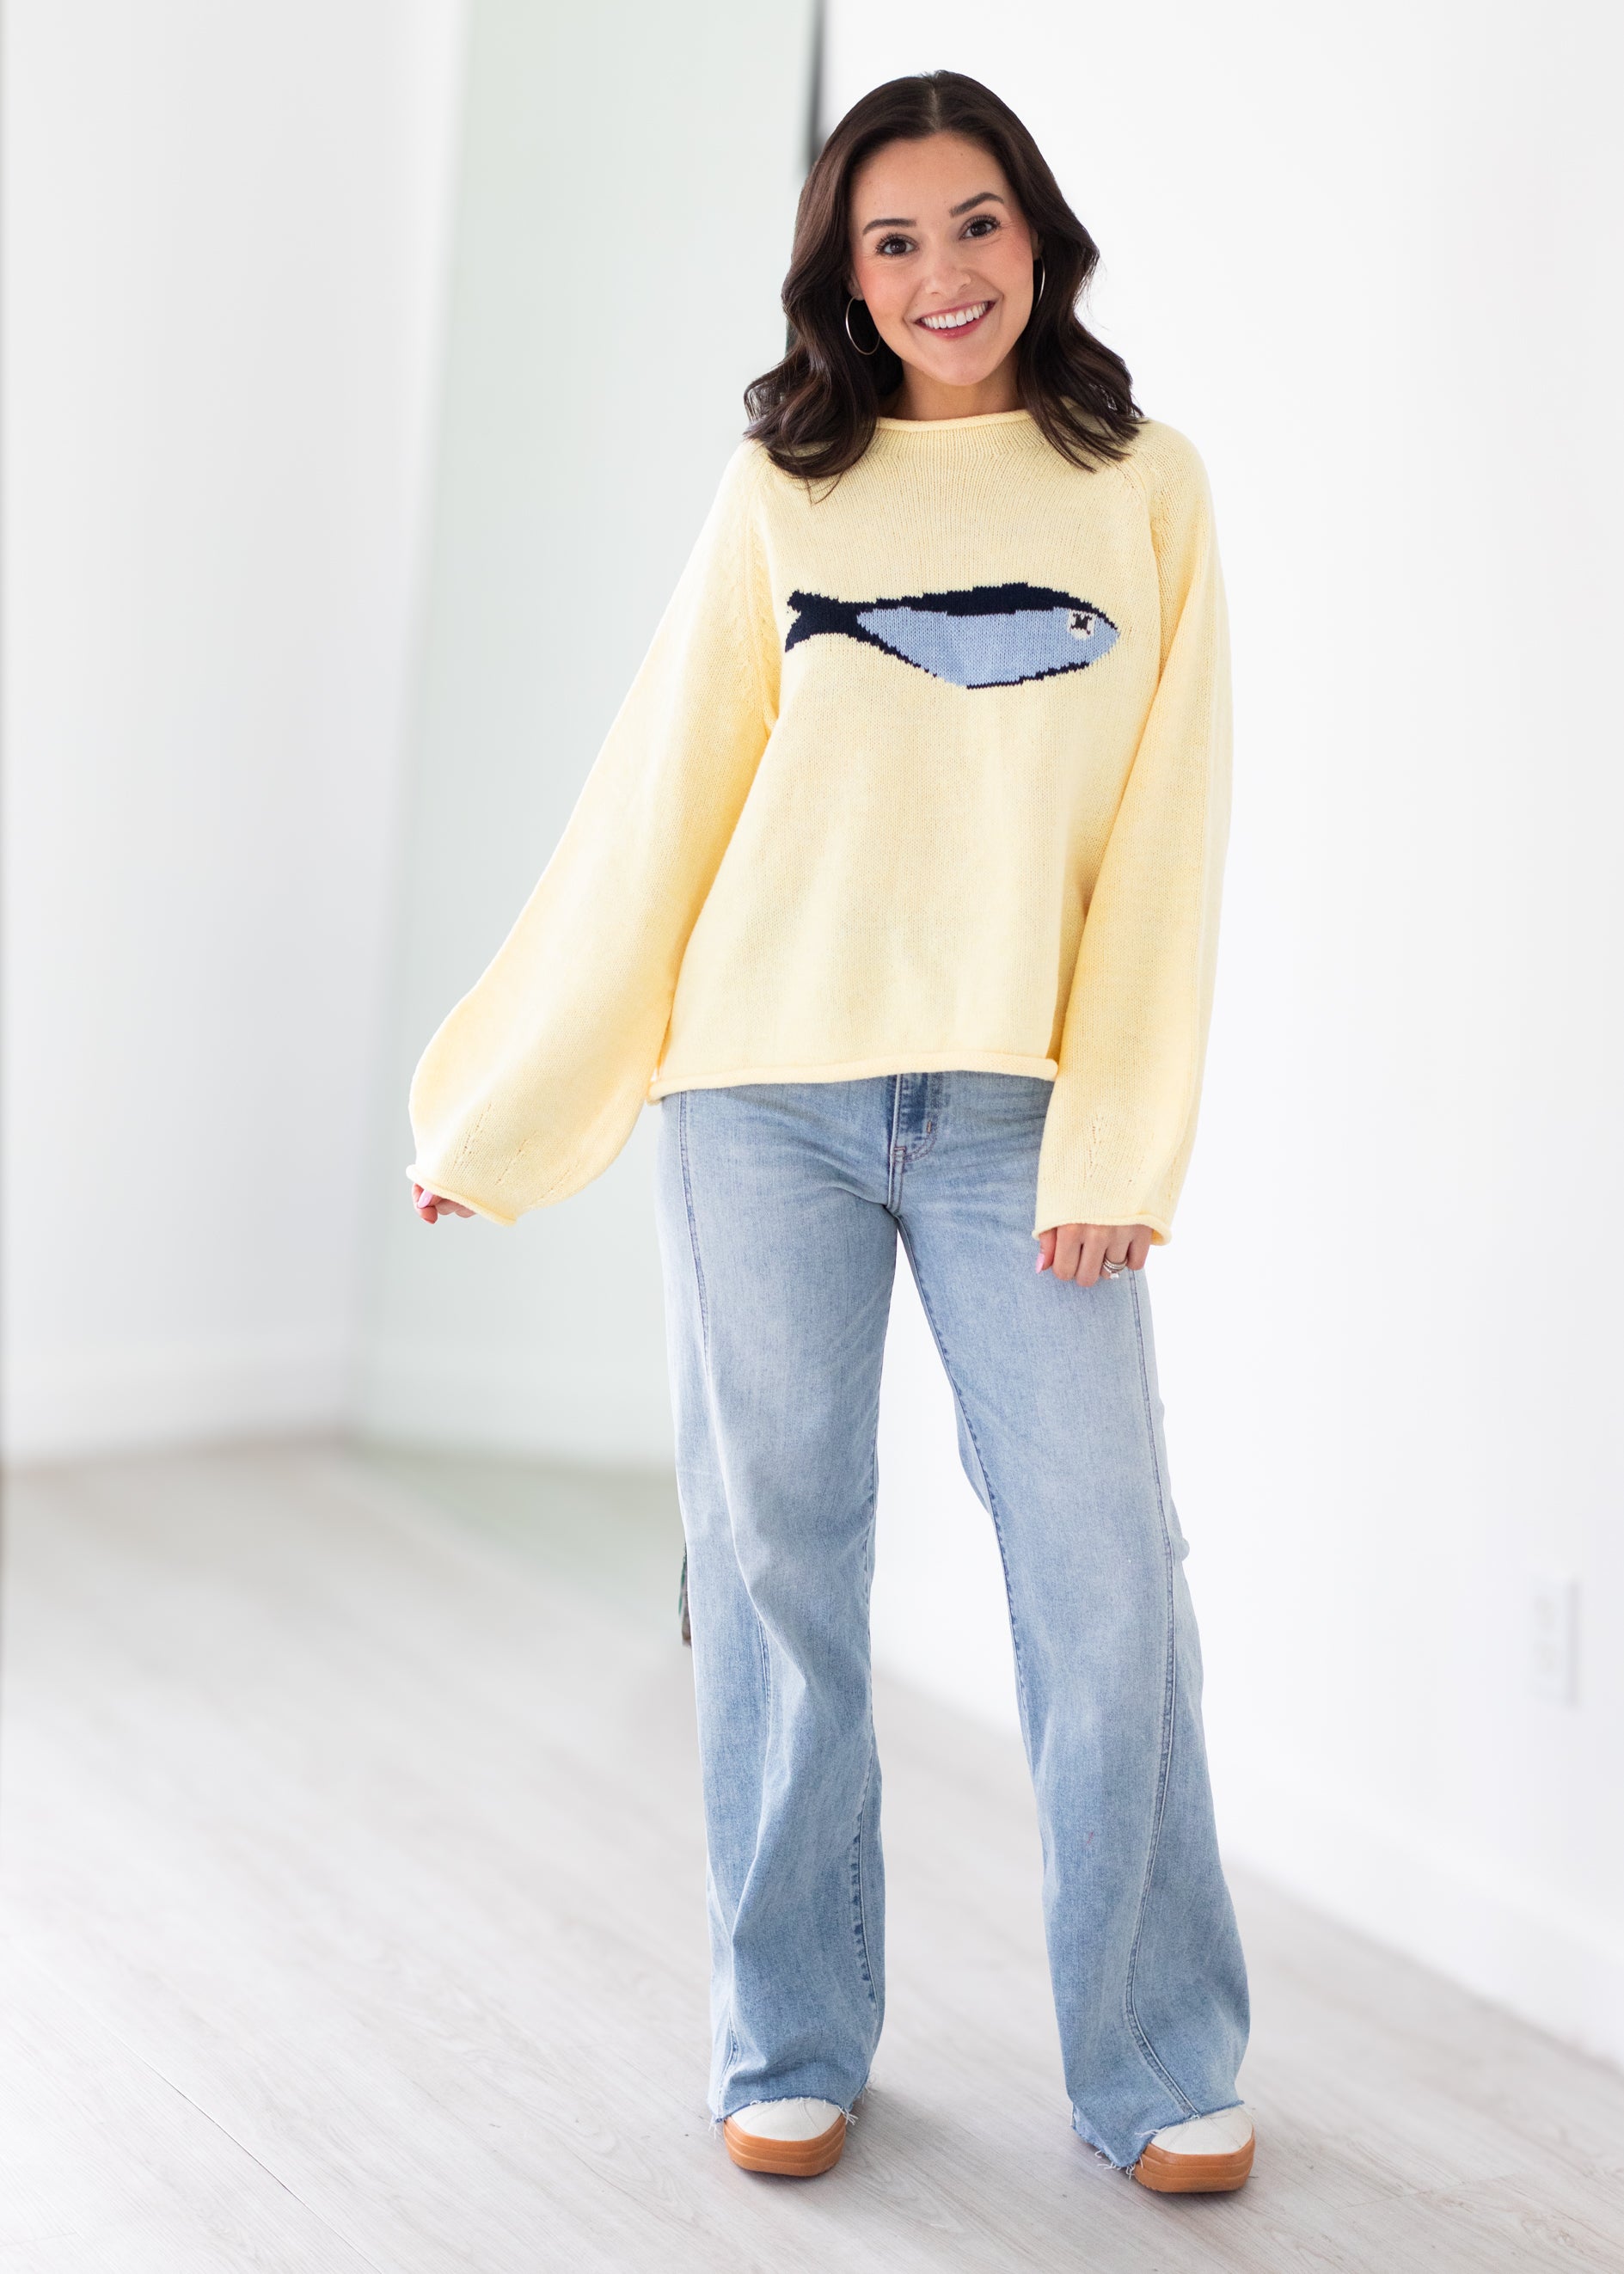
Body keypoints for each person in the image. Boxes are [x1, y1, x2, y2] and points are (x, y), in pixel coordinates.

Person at [407, 70, 1253, 2197]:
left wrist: (1118, 1142)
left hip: (1017, 1117)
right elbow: (661, 801)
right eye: (894, 242)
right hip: (758, 1099)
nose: (943, 274)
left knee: (1107, 1584)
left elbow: (1170, 844)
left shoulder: (1147, 489)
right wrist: (507, 1102)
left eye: (975, 226)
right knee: (776, 1565)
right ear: (845, 280)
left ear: (1036, 238)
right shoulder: (785, 495)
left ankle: (1157, 2059)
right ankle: (788, 2035)